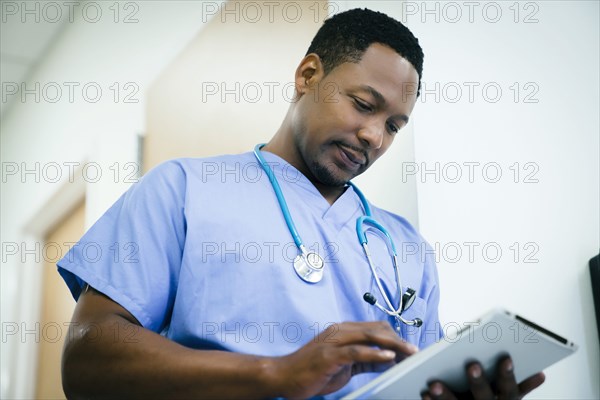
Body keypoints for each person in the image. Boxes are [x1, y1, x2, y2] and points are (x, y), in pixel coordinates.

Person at [57, 8, 545, 399]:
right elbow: (87, 360)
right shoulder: (183, 190)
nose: (374, 136)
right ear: (309, 75)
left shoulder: (406, 247)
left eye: (394, 126)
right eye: (363, 104)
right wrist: (276, 373)